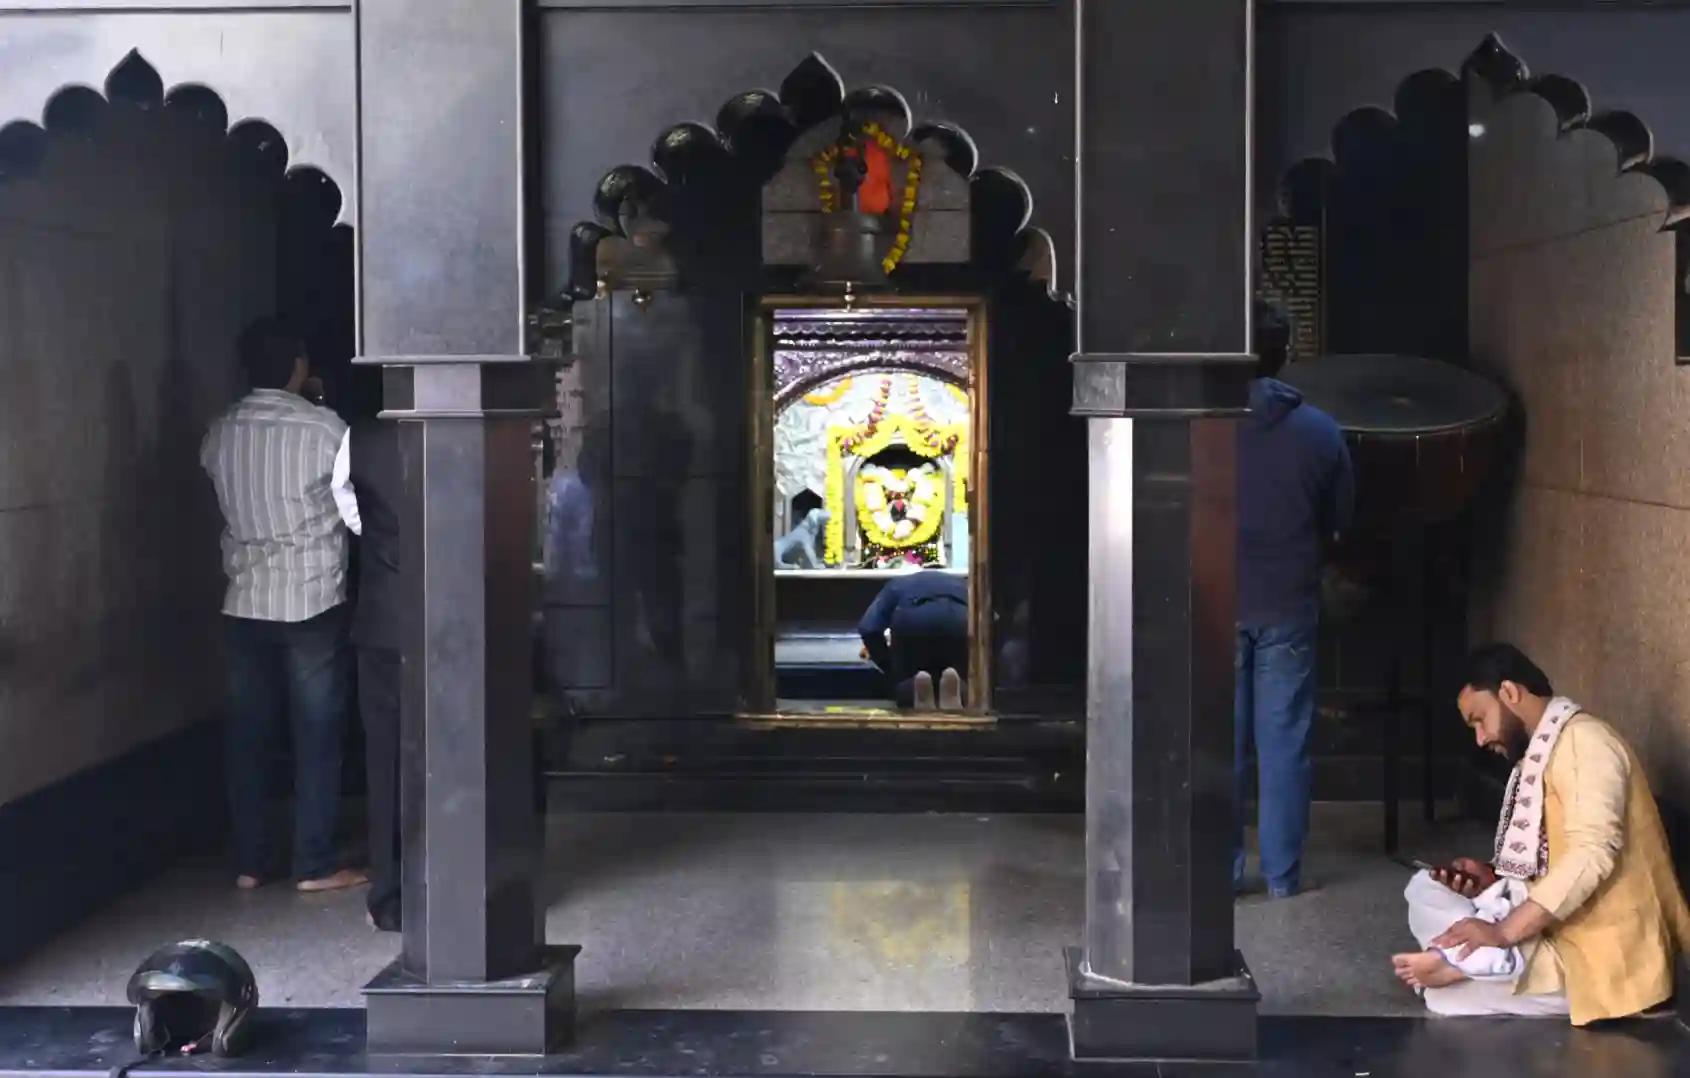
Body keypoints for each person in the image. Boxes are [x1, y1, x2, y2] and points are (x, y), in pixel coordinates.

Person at [1391, 644, 1690, 1023]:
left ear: (1510, 693)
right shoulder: (1539, 755)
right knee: (1425, 887)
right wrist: (1492, 879)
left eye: (1479, 719)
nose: (1480, 738)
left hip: (1596, 960)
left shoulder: (1584, 742)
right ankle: (1474, 961)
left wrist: (1502, 933)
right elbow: (1549, 857)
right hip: (1553, 932)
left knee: (1444, 1000)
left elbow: (1591, 854)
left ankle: (1475, 960)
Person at [200, 317, 366, 894]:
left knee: (250, 735)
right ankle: (314, 863)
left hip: (244, 599)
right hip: (312, 598)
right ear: (298, 365)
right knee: (317, 735)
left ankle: (250, 861)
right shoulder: (324, 430)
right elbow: (358, 515)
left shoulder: (221, 431)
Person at [1233, 299, 1354, 899]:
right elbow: (1341, 520)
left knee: (1217, 743)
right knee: (1284, 745)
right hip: (1288, 602)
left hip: (1212, 603)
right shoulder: (1320, 430)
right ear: (1286, 352)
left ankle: (1219, 872)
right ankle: (1282, 877)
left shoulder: (1200, 423)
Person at [341, 368, 404, 931]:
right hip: (462, 624)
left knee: (386, 761)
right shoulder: (476, 429)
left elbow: (352, 513)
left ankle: (391, 897)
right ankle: (466, 890)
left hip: (385, 619)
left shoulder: (359, 437)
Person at [857, 569, 968, 710]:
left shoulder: (896, 584)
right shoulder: (964, 584)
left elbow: (869, 628)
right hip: (959, 617)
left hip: (912, 618)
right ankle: (960, 690)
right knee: (958, 667)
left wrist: (888, 663)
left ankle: (912, 690)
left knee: (906, 676)